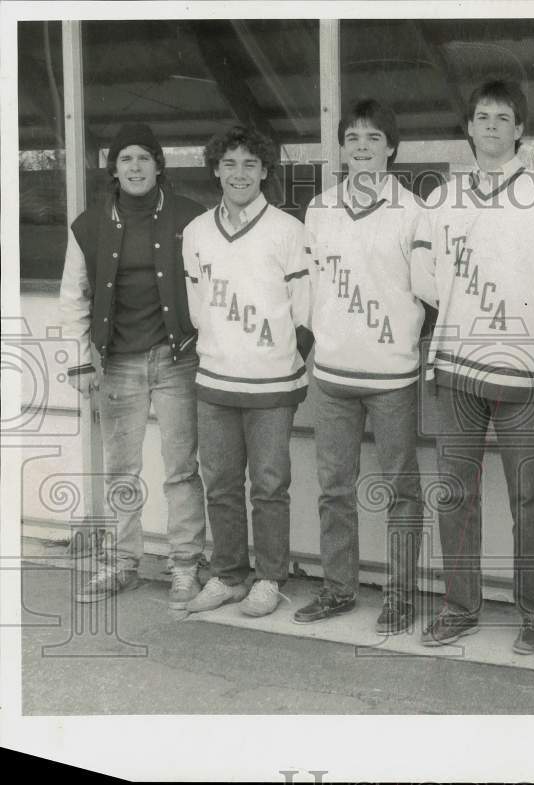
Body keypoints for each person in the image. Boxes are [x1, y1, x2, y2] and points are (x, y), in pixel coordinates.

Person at [410, 79, 534, 653]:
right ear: (468, 127)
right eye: (482, 116)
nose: (491, 125)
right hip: (457, 368)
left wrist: (526, 321)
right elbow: (423, 276)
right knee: (456, 494)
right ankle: (461, 606)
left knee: (527, 498)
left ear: (520, 129)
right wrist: (471, 315)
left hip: (520, 374)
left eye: (503, 117)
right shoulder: (443, 197)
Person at [59, 122, 208, 607]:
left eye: (145, 158)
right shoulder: (89, 224)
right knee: (121, 469)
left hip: (177, 358)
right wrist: (82, 362)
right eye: (126, 159)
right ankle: (122, 563)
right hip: (117, 361)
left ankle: (186, 565)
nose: (136, 167)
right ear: (114, 169)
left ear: (159, 165)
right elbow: (72, 297)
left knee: (181, 468)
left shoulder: (190, 216)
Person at [295, 99, 425, 634]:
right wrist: (313, 348)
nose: (363, 147)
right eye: (353, 138)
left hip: (392, 375)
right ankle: (338, 589)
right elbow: (306, 288)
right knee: (334, 489)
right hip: (332, 375)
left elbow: (430, 290)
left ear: (391, 147)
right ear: (342, 148)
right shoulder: (320, 209)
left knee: (400, 489)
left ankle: (399, 596)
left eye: (374, 138)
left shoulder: (416, 210)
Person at [182, 126, 313, 618]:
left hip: (272, 384)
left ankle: (270, 577)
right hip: (215, 380)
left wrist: (280, 357)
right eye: (230, 164)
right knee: (219, 483)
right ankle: (228, 575)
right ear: (216, 168)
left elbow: (305, 311)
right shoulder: (196, 232)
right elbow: (198, 309)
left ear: (265, 172)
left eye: (251, 165)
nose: (240, 174)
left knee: (269, 485)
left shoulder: (288, 230)